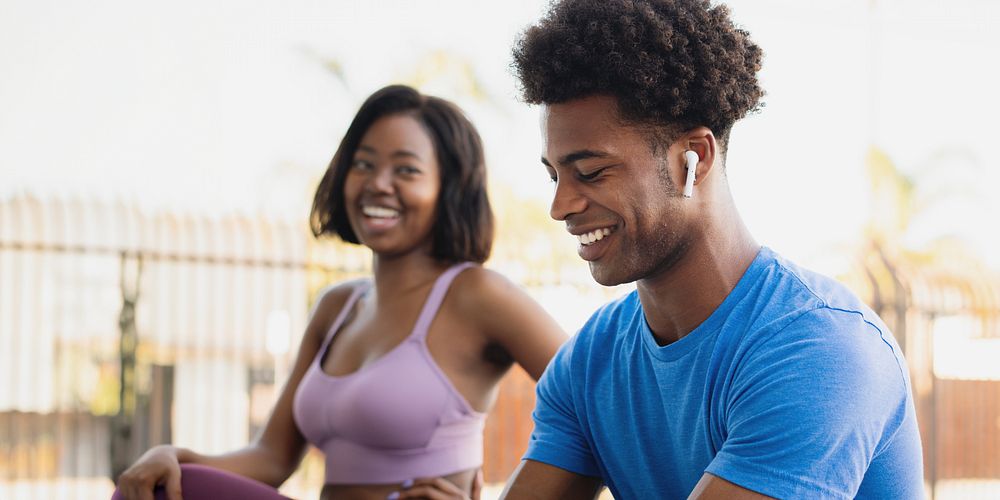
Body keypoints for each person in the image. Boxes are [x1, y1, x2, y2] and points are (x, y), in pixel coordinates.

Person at [499, 0, 925, 498]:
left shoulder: (819, 350)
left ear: (693, 158)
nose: (560, 205)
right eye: (555, 176)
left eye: (590, 172)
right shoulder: (592, 358)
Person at [114, 85, 567, 500]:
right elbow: (272, 458)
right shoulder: (338, 306)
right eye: (364, 164)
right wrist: (173, 455)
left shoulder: (478, 294)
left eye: (406, 169)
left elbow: (592, 400)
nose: (378, 183)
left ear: (448, 189)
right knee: (156, 490)